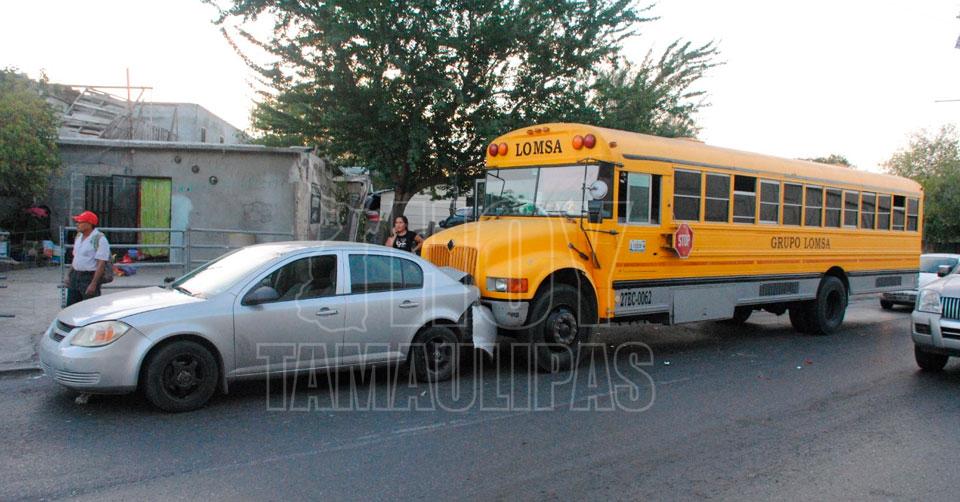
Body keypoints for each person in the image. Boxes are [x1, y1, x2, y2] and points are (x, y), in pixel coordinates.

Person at [64, 210, 111, 306]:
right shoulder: (78, 236)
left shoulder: (99, 239)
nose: (77, 224)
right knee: (71, 306)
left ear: (89, 224)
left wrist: (93, 283)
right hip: (75, 275)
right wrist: (69, 275)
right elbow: (76, 257)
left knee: (90, 307)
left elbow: (101, 263)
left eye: (80, 222)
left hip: (89, 276)